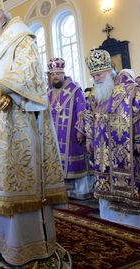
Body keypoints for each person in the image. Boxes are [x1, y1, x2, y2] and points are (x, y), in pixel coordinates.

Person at [0, 0, 66, 265]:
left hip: (14, 126)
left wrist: (0, 87)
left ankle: (22, 245)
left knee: (12, 182)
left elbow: (31, 76)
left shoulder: (21, 38)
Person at [77, 49, 140, 233]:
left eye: (100, 74)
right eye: (93, 75)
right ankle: (114, 221)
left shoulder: (132, 89)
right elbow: (89, 114)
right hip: (105, 150)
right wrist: (88, 135)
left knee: (139, 184)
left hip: (132, 150)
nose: (96, 78)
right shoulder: (96, 93)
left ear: (111, 70)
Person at [47, 57, 91, 199]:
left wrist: (80, 129)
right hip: (53, 133)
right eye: (52, 74)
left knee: (74, 161)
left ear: (63, 73)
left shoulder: (75, 89)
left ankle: (80, 191)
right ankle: (62, 190)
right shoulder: (48, 91)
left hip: (71, 132)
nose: (55, 77)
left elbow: (82, 110)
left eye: (58, 73)